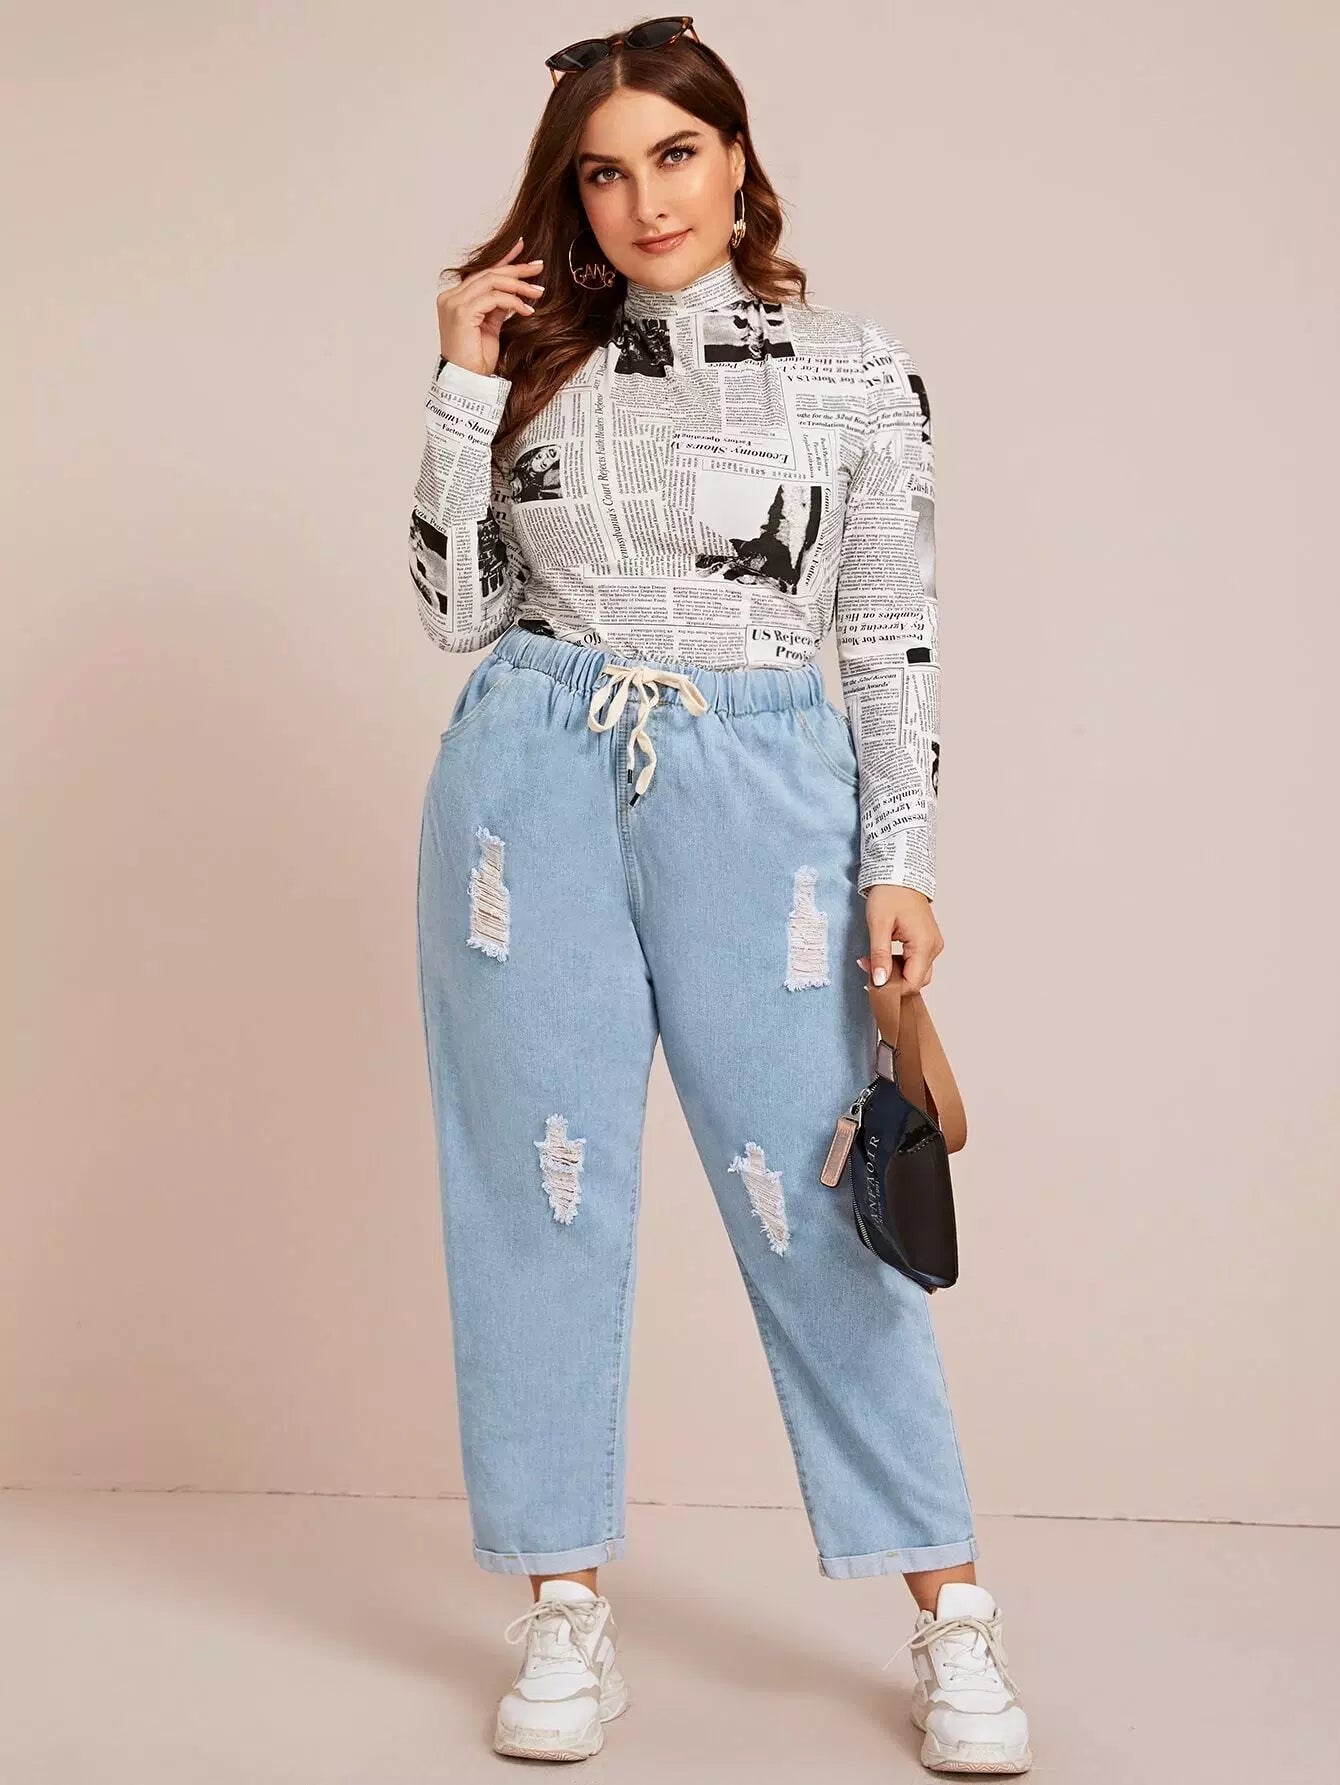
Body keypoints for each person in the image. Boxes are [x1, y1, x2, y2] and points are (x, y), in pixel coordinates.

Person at [409, 16, 1033, 1774]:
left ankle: (955, 1615)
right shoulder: (532, 364)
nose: (644, 200)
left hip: (759, 780)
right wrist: (459, 387)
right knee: (534, 1193)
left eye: (674, 156)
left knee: (821, 1196)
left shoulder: (853, 371)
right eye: (604, 172)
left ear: (737, 158)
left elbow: (888, 636)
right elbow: (453, 611)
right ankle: (563, 1607)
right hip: (529, 772)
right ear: (573, 195)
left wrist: (899, 857)